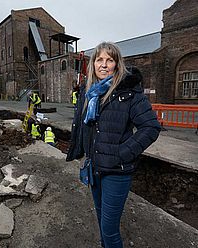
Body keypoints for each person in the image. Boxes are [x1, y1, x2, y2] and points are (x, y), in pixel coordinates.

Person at [66, 42, 161, 248]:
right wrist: (80, 150)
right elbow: (83, 127)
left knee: (109, 230)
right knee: (101, 221)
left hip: (116, 172)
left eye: (110, 60)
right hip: (95, 167)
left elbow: (151, 127)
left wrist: (122, 153)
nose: (104, 64)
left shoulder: (129, 93)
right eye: (99, 59)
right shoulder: (90, 93)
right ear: (93, 64)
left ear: (117, 64)